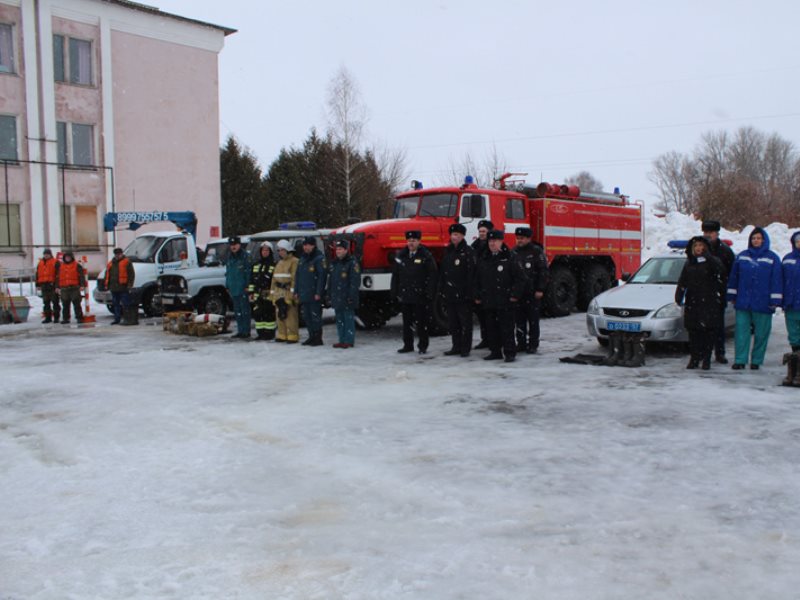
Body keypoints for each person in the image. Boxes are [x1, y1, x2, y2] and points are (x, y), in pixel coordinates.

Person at [727, 227, 783, 370]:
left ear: (764, 240)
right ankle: (740, 360)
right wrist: (732, 295)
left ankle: (756, 360)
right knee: (741, 333)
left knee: (761, 334)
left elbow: (777, 280)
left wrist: (775, 300)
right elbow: (734, 277)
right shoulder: (742, 256)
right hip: (743, 302)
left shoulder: (772, 258)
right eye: (753, 238)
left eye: (758, 238)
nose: (756, 240)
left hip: (763, 303)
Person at [474, 230, 526, 362]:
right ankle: (495, 351)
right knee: (491, 328)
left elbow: (520, 279)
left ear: (501, 242)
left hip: (505, 300)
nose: (492, 243)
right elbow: (477, 279)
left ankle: (509, 352)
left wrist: (514, 295)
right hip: (489, 300)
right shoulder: (484, 257)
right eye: (490, 241)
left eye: (495, 241)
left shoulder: (510, 257)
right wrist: (478, 295)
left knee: (507, 328)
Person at [674, 236, 726, 370]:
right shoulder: (689, 262)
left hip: (709, 302)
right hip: (693, 301)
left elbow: (720, 271)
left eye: (701, 246)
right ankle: (694, 357)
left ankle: (706, 358)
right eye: (696, 246)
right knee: (694, 332)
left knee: (708, 332)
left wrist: (709, 257)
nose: (698, 248)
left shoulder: (712, 261)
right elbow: (683, 280)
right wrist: (679, 294)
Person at [391, 230, 437, 354]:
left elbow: (432, 275)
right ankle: (408, 345)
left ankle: (423, 346)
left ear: (419, 241)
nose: (411, 243)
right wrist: (395, 292)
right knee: (407, 323)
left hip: (420, 295)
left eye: (414, 241)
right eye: (409, 241)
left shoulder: (425, 255)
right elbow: (395, 275)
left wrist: (429, 293)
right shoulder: (401, 256)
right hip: (406, 295)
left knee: (421, 323)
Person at [438, 223, 476, 357]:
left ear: (462, 236)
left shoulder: (468, 251)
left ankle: (465, 348)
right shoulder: (448, 251)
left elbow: (471, 274)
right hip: (450, 293)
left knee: (465, 323)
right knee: (453, 323)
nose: (454, 237)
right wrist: (442, 289)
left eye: (456, 235)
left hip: (463, 294)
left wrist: (469, 292)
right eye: (452, 234)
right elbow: (444, 272)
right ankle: (456, 346)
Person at [702, 220, 735, 363]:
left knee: (718, 326)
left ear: (717, 233)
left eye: (711, 232)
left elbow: (732, 272)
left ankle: (719, 353)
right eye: (705, 232)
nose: (708, 235)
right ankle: (702, 352)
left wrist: (726, 289)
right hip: (701, 293)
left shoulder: (725, 251)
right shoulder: (699, 248)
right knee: (701, 326)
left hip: (718, 292)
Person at [511, 226, 549, 354]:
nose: (519, 241)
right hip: (519, 293)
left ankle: (533, 344)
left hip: (532, 292)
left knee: (533, 320)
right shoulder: (514, 251)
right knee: (519, 320)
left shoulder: (536, 251)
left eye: (521, 238)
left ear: (528, 238)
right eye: (517, 238)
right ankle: (521, 343)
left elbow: (543, 272)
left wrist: (540, 289)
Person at [327, 239, 361, 348]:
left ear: (346, 250)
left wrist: (351, 295)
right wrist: (329, 293)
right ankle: (341, 339)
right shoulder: (334, 263)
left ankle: (349, 340)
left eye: (340, 249)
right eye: (337, 249)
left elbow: (354, 281)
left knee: (348, 319)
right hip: (337, 296)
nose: (338, 251)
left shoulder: (352, 263)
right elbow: (331, 280)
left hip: (347, 296)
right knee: (339, 319)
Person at [296, 236, 327, 346]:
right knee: (307, 317)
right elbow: (298, 276)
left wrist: (318, 292)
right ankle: (311, 336)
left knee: (315, 317)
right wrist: (296, 291)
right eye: (304, 245)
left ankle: (317, 338)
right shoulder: (303, 258)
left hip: (314, 294)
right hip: (304, 293)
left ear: (313, 245)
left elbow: (321, 277)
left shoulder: (318, 258)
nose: (306, 247)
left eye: (308, 245)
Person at [270, 239, 300, 343]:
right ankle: (282, 334)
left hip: (287, 291)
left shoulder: (294, 261)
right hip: (278, 292)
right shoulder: (279, 262)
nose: (280, 252)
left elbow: (294, 279)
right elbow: (274, 279)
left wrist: (292, 294)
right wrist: (272, 293)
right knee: (280, 315)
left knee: (290, 315)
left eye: (282, 250)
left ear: (288, 250)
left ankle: (292, 335)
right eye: (279, 250)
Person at [471, 219, 493, 350]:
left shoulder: (493, 245)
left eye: (484, 231)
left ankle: (494, 340)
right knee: (482, 316)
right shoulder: (475, 246)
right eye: (480, 231)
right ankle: (485, 339)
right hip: (478, 284)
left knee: (491, 317)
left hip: (490, 285)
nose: (482, 233)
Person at [248, 241, 277, 340]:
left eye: (267, 250)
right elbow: (252, 279)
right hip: (257, 294)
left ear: (270, 252)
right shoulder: (256, 264)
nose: (264, 252)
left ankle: (269, 333)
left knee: (269, 314)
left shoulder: (274, 265)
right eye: (263, 250)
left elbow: (274, 281)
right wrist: (251, 292)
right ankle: (260, 333)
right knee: (258, 314)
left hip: (268, 293)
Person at [225, 236, 251, 339]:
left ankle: (246, 331)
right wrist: (227, 285)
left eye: (235, 244)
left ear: (239, 244)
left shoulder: (245, 256)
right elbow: (228, 273)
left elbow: (248, 272)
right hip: (234, 288)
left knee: (245, 310)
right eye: (231, 245)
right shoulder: (230, 257)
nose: (233, 247)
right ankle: (240, 330)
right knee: (237, 311)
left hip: (243, 288)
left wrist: (248, 285)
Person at [105, 247, 136, 326]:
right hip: (113, 287)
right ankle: (117, 319)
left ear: (122, 254)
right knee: (116, 304)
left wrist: (129, 285)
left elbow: (131, 275)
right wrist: (107, 285)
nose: (118, 255)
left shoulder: (127, 262)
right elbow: (107, 275)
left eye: (119, 254)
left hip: (123, 287)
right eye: (116, 254)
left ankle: (127, 319)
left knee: (126, 304)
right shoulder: (110, 263)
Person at [781, 231, 800, 352]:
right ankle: (796, 356)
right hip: (791, 303)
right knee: (793, 332)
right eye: (798, 242)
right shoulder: (787, 259)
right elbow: (781, 279)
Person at [56, 251, 85, 324]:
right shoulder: (61, 266)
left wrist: (82, 285)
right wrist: (57, 287)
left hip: (74, 288)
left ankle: (79, 318)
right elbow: (57, 277)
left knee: (76, 304)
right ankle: (66, 318)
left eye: (69, 257)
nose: (67, 258)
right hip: (64, 288)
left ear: (71, 257)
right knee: (65, 304)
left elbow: (81, 276)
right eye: (66, 257)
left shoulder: (77, 265)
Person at [36, 248, 60, 323]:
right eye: (45, 254)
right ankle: (48, 318)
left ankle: (56, 318)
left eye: (47, 254)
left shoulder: (55, 262)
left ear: (50, 254)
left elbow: (58, 275)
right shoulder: (40, 263)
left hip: (52, 285)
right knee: (46, 303)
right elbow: (37, 274)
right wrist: (37, 284)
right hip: (43, 285)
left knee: (55, 302)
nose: (46, 255)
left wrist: (57, 286)